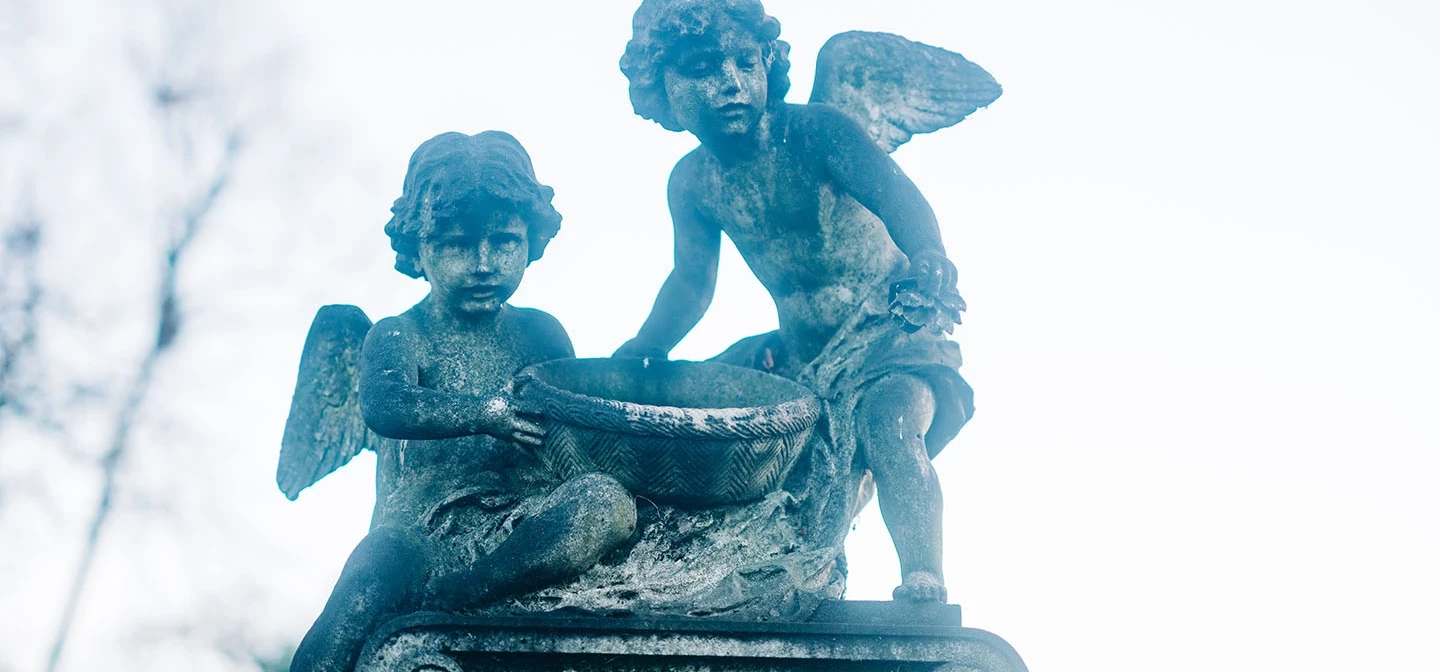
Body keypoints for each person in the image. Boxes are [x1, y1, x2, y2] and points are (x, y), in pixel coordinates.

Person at [616, 0, 973, 602]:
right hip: (804, 358)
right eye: (704, 67)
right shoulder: (693, 181)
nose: (731, 83)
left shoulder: (816, 132)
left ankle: (923, 577)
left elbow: (898, 197)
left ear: (768, 65)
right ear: (663, 88)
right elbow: (692, 283)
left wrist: (930, 258)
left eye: (745, 62)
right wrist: (648, 344)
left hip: (890, 332)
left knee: (886, 426)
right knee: (741, 454)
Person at [291, 131, 636, 672]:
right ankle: (430, 595)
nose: (483, 262)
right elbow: (386, 405)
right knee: (358, 595)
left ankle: (458, 596)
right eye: (457, 245)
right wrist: (484, 412)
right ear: (418, 249)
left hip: (519, 521)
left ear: (532, 240)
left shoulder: (542, 334)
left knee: (606, 502)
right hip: (420, 529)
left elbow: (569, 430)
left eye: (504, 241)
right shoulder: (400, 333)